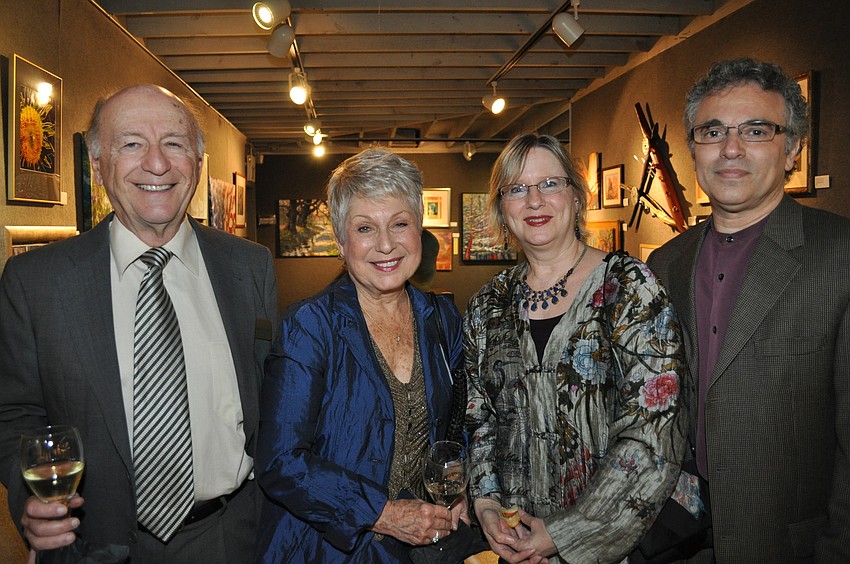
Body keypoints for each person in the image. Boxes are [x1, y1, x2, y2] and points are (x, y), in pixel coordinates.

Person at [0, 84, 279, 562]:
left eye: (174, 143)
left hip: (232, 538)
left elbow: (273, 396)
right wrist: (31, 500)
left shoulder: (250, 267)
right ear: (97, 164)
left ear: (196, 159)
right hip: (94, 545)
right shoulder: (36, 281)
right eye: (131, 144)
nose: (156, 164)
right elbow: (15, 414)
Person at [647, 58, 850, 561]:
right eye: (712, 131)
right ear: (695, 148)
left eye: (756, 130)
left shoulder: (839, 254)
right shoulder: (666, 261)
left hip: (789, 542)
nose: (731, 148)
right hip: (678, 535)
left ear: (793, 149)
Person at [464, 133, 688, 563]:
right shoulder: (487, 305)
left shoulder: (629, 287)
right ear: (500, 207)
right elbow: (481, 419)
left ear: (575, 196)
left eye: (549, 183)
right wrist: (487, 503)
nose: (534, 200)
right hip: (515, 542)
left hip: (619, 545)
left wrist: (567, 534)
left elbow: (654, 431)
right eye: (517, 189)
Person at [255, 148, 467, 562]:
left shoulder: (441, 319)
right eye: (365, 228)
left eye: (399, 224)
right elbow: (281, 461)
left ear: (418, 229)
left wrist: (457, 485)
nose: (386, 244)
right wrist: (382, 514)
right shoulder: (310, 325)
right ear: (340, 241)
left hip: (423, 548)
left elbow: (457, 422)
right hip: (326, 548)